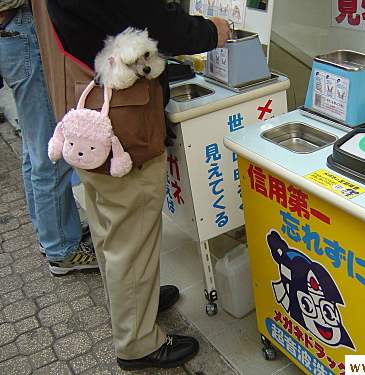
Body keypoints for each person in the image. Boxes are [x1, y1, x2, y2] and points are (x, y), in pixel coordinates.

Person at [34, 0, 230, 370]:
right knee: (131, 237)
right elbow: (155, 19)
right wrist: (209, 31)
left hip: (86, 109)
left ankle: (132, 305)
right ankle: (137, 343)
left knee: (111, 230)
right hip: (124, 123)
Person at [0, 1, 99, 275]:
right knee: (50, 154)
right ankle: (62, 250)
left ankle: (51, 232)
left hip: (14, 32)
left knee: (34, 151)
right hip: (23, 32)